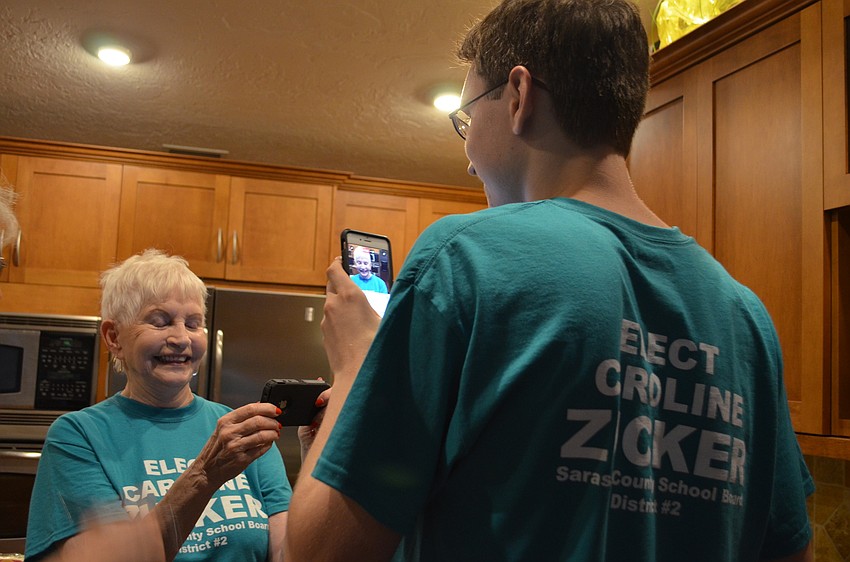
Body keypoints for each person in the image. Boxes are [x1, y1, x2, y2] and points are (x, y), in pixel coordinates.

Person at [285, 1, 814, 561]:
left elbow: (317, 554)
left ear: (519, 96)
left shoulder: (466, 259)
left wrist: (355, 368)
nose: (467, 159)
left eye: (466, 118)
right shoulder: (746, 317)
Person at [25, 249, 291, 562]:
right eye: (160, 322)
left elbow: (290, 554)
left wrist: (319, 451)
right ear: (114, 338)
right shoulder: (79, 436)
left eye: (193, 324)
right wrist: (204, 475)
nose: (181, 338)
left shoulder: (238, 432)